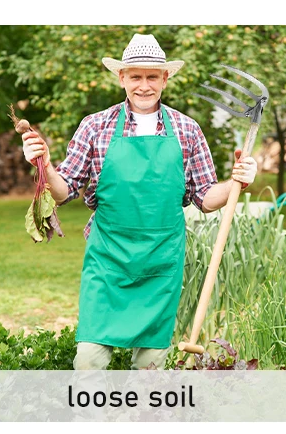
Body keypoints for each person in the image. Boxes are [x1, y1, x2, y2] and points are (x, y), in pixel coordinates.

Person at [21, 32, 258, 370]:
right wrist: (44, 163)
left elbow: (206, 197)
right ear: (121, 78)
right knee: (88, 359)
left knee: (150, 368)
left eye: (151, 76)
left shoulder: (187, 129)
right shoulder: (95, 127)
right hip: (109, 259)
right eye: (135, 76)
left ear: (165, 78)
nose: (143, 85)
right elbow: (64, 191)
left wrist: (237, 181)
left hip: (161, 261)